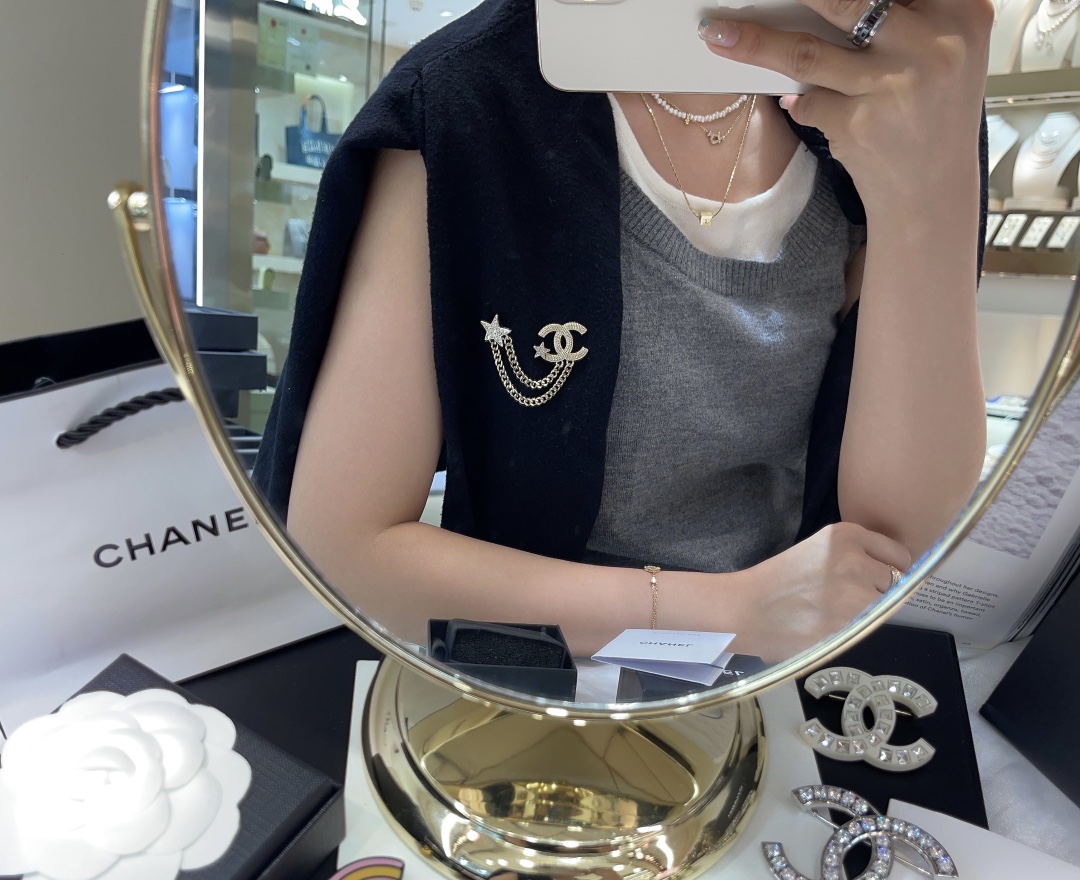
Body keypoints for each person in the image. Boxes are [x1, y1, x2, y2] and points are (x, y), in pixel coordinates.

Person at [254, 0, 992, 662]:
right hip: (534, 679)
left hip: (789, 672)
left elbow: (895, 540)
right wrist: (728, 613)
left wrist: (931, 177)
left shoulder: (882, 103)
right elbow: (346, 546)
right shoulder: (466, 99)